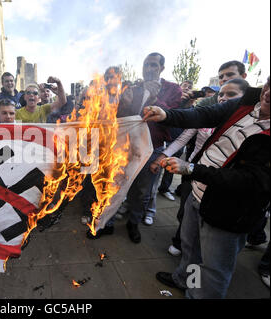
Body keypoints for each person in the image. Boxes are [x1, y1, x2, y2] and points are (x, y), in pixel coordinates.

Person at [144, 76, 270, 299]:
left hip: (229, 212)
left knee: (212, 270)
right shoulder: (249, 101)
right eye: (269, 85)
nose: (268, 93)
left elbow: (248, 181)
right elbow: (206, 114)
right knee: (190, 248)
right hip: (197, 192)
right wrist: (167, 115)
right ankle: (185, 281)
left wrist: (192, 169)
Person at [151, 78, 250, 257]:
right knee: (186, 217)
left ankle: (193, 274)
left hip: (218, 189)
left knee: (209, 249)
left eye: (232, 94)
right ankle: (182, 255)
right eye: (221, 94)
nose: (223, 98)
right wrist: (162, 157)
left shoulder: (245, 126)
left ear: (244, 98)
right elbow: (183, 138)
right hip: (192, 177)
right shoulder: (207, 116)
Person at [94, 53, 181, 242]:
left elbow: (173, 115)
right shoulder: (133, 88)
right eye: (146, 65)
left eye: (153, 65)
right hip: (126, 147)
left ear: (161, 68)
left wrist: (155, 99)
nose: (149, 69)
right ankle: (106, 223)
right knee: (114, 185)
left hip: (152, 148)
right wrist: (122, 104)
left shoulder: (172, 89)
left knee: (141, 191)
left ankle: (133, 223)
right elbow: (122, 117)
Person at [183, 60, 247, 108]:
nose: (224, 79)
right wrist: (186, 107)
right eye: (221, 77)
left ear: (243, 76)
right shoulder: (207, 103)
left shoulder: (255, 100)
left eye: (230, 75)